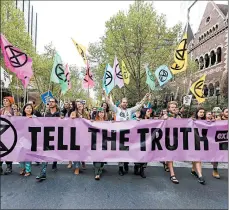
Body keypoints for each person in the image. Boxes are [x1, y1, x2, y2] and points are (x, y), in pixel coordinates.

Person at [104, 91, 150, 176]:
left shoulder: (130, 110)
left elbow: (139, 105)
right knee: (121, 152)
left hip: (129, 135)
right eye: (123, 102)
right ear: (121, 103)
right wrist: (105, 95)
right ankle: (120, 168)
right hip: (120, 135)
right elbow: (109, 103)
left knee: (129, 151)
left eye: (126, 102)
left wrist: (145, 97)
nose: (125, 103)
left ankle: (126, 164)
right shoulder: (117, 110)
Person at [36, 98, 60, 182]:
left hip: (58, 136)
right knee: (45, 154)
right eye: (49, 101)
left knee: (55, 152)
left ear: (56, 103)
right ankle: (43, 173)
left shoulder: (60, 113)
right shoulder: (46, 114)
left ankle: (54, 162)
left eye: (52, 101)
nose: (50, 103)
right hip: (48, 136)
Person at [162, 101, 180, 184]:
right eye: (172, 107)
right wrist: (164, 119)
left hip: (176, 138)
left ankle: (166, 163)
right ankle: (172, 175)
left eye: (175, 107)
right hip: (167, 138)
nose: (174, 108)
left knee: (171, 155)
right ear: (169, 108)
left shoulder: (178, 117)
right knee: (170, 155)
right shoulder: (165, 116)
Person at [70, 100, 89, 175]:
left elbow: (89, 122)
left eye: (80, 104)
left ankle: (83, 160)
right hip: (75, 134)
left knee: (83, 151)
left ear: (83, 105)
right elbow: (69, 120)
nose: (79, 105)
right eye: (78, 104)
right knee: (76, 151)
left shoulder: (86, 113)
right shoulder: (73, 113)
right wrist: (73, 118)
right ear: (76, 106)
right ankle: (77, 167)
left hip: (84, 134)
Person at [19, 103, 37, 176]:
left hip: (30, 138)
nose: (29, 109)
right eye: (27, 108)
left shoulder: (34, 117)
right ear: (24, 109)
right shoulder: (21, 117)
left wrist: (32, 120)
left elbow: (38, 125)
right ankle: (22, 168)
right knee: (20, 154)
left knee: (27, 155)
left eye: (30, 108)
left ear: (32, 109)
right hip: (21, 138)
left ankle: (28, 170)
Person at [91, 107, 107, 180]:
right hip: (95, 143)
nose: (101, 113)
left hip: (104, 143)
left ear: (104, 113)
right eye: (100, 112)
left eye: (102, 112)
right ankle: (97, 173)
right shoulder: (94, 121)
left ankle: (100, 168)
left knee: (102, 157)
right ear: (97, 113)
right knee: (97, 157)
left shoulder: (107, 122)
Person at [0, 96, 14, 175]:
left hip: (10, 133)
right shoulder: (1, 110)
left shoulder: (13, 111)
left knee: (8, 150)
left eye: (6, 101)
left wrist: (12, 117)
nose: (4, 102)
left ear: (10, 102)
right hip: (1, 133)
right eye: (4, 100)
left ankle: (9, 167)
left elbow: (18, 120)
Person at [191, 107, 206, 185]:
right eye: (200, 112)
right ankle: (200, 176)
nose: (202, 113)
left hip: (202, 142)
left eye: (203, 112)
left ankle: (193, 170)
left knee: (197, 157)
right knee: (198, 158)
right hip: (193, 141)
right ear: (197, 112)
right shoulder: (192, 120)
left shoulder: (206, 121)